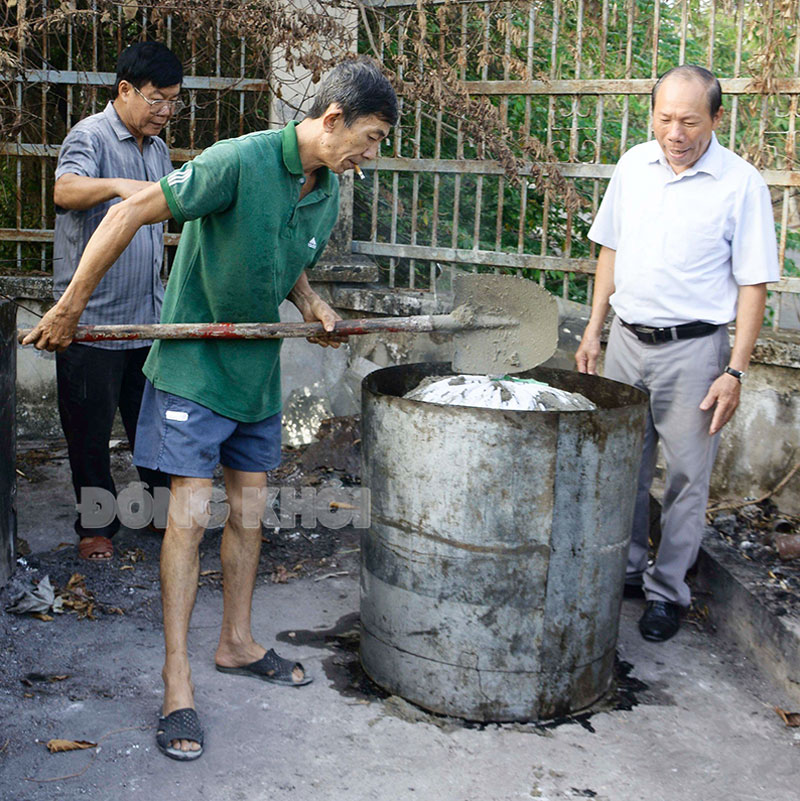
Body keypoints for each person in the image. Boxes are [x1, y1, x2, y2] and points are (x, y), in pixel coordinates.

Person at [23, 56, 398, 761]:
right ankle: (177, 682)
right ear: (333, 119)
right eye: (371, 137)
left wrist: (311, 300)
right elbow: (134, 208)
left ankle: (236, 640)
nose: (370, 154)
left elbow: (286, 255)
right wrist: (70, 305)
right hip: (194, 371)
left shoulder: (324, 191)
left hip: (254, 374)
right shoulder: (237, 161)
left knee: (250, 513)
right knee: (186, 523)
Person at [575, 65, 778, 643]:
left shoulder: (741, 185)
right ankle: (629, 571)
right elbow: (609, 250)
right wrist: (594, 328)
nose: (675, 132)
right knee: (623, 467)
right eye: (664, 119)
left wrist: (735, 370)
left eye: (689, 120)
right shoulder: (633, 167)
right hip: (627, 342)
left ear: (716, 118)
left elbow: (753, 285)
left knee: (688, 477)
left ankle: (669, 592)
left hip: (696, 352)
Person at [53, 41, 181, 561]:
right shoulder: (91, 134)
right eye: (156, 99)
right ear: (125, 90)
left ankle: (157, 514)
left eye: (174, 101)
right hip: (93, 322)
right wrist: (119, 186)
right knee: (88, 430)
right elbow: (65, 191)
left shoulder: (157, 149)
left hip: (147, 321)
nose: (166, 111)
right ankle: (95, 526)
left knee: (151, 425)